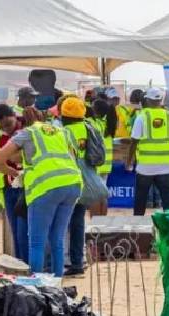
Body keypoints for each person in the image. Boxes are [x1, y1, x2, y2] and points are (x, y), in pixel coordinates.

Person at [0, 116, 82, 276]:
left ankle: (37, 288)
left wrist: (14, 172)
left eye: (16, 158)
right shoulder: (61, 132)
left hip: (46, 187)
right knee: (57, 239)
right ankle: (56, 284)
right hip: (73, 184)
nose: (17, 161)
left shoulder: (26, 134)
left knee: (37, 242)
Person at [126, 87, 169, 215]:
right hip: (166, 166)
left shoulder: (142, 117)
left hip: (145, 167)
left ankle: (138, 228)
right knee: (168, 203)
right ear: (160, 100)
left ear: (147, 100)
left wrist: (129, 161)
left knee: (140, 201)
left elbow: (134, 142)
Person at [0, 104, 28, 262]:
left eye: (8, 124)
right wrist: (13, 171)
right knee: (14, 231)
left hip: (26, 188)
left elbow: (18, 157)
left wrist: (9, 158)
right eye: (2, 127)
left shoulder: (27, 129)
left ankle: (27, 265)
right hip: (8, 187)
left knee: (23, 232)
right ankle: (19, 264)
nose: (6, 129)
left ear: (14, 116)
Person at [61, 97, 93, 276]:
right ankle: (78, 261)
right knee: (79, 222)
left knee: (63, 223)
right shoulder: (90, 128)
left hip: (68, 179)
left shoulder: (63, 132)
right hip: (85, 179)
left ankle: (66, 261)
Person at [91, 98, 116, 216]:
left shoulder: (94, 124)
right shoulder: (109, 124)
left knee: (95, 195)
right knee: (102, 193)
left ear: (96, 111)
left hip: (96, 164)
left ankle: (94, 223)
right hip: (106, 164)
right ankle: (102, 221)